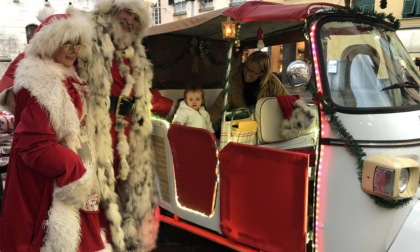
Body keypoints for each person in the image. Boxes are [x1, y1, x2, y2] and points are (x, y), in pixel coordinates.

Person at [0, 0, 159, 251]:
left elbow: (146, 96)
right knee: (81, 202)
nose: (130, 22)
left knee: (122, 198)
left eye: (137, 20)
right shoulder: (84, 32)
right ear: (112, 11)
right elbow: (35, 53)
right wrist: (16, 90)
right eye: (127, 14)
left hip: (126, 137)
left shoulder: (137, 55)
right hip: (87, 131)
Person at [0, 13, 109, 252]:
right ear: (50, 43)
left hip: (70, 168)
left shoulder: (65, 74)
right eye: (66, 43)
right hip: (52, 178)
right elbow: (35, 146)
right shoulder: (42, 82)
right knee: (52, 237)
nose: (73, 50)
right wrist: (74, 169)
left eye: (77, 44)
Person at [209, 50, 289, 131]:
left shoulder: (273, 83)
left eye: (252, 72)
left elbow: (288, 104)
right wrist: (204, 126)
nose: (247, 73)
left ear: (262, 73)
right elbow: (218, 107)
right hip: (240, 130)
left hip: (266, 130)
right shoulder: (234, 82)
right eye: (246, 68)